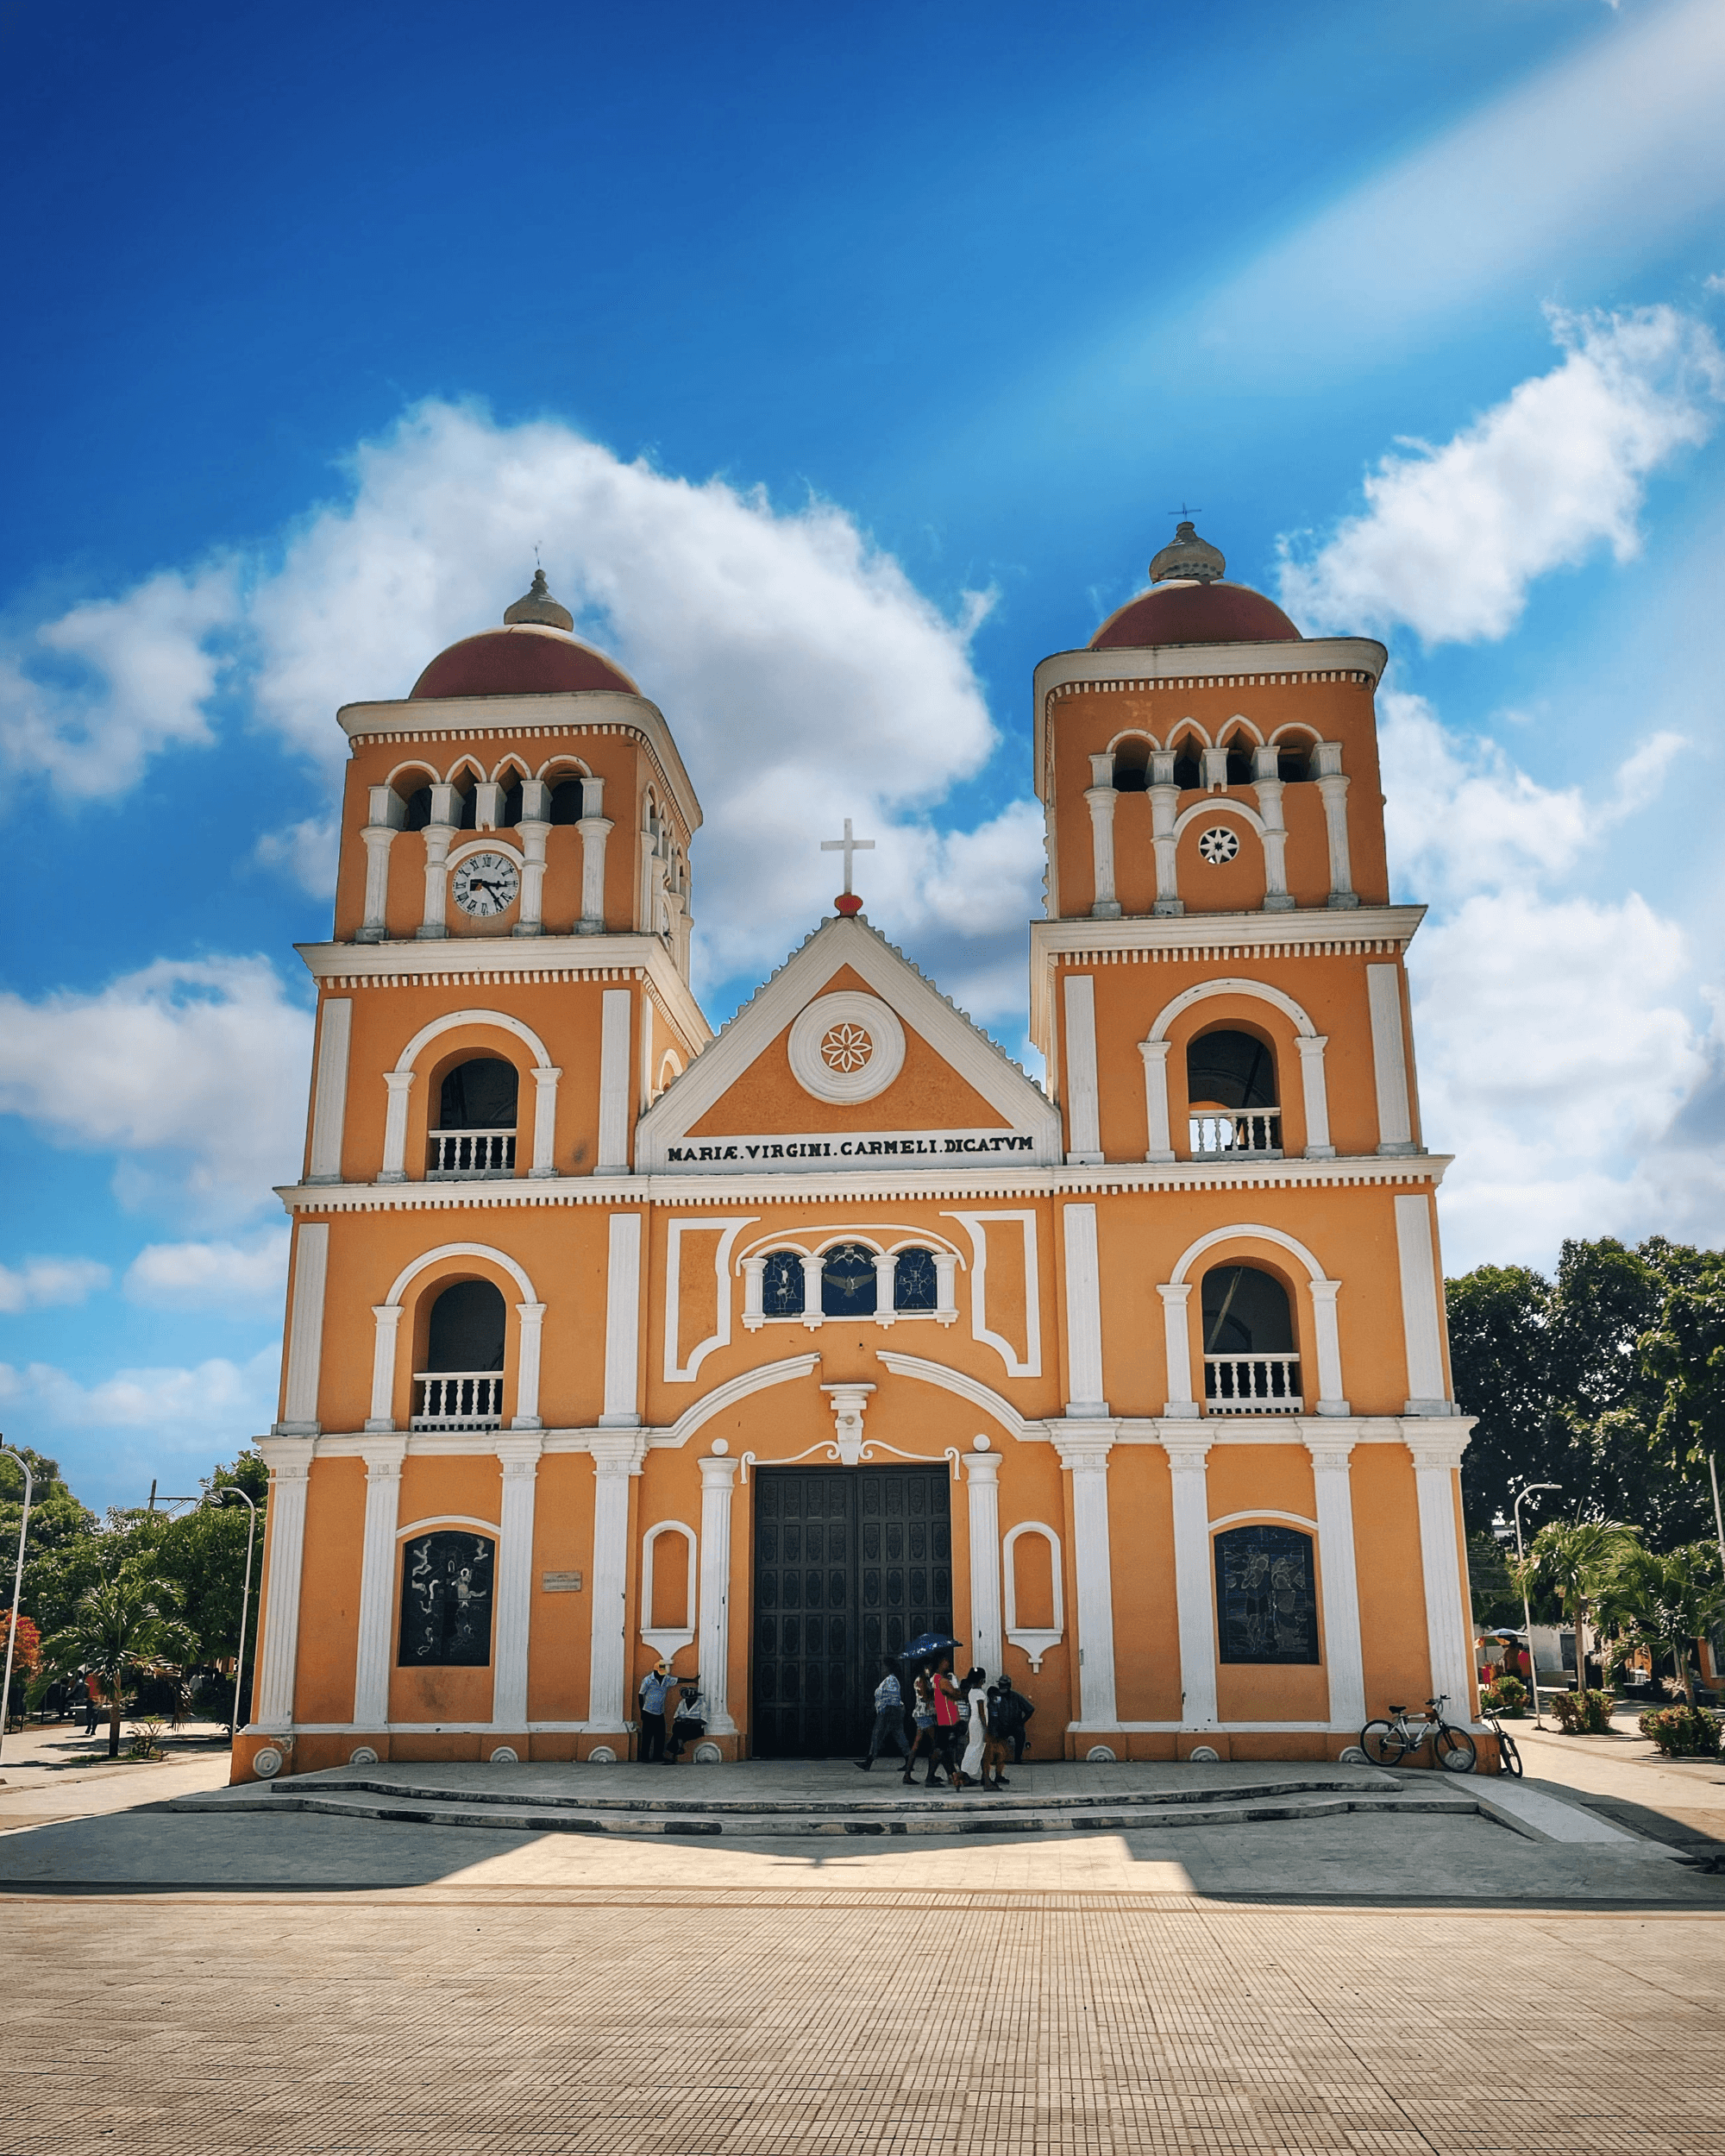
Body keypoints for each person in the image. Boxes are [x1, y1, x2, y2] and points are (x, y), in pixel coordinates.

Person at [856, 1659, 910, 1771]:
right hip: (893, 1711)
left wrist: (883, 1711)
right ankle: (909, 1760)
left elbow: (891, 1699)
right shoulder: (890, 1680)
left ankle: (869, 1761)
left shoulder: (891, 1680)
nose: (882, 1669)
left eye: (883, 1667)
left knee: (877, 1735)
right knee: (899, 1735)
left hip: (888, 1711)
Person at [902, 1669, 943, 1788]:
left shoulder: (924, 1680)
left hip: (923, 1715)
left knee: (916, 1745)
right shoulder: (922, 1681)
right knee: (936, 1744)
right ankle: (930, 1776)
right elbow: (925, 1696)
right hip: (925, 1715)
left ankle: (908, 1774)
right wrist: (937, 1692)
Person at [952, 1667, 989, 1791]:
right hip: (978, 1724)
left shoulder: (971, 1692)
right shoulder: (979, 1693)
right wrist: (986, 1728)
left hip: (972, 1723)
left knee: (974, 1747)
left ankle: (964, 1775)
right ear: (982, 1680)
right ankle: (961, 1774)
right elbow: (981, 1713)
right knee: (977, 1748)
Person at [931, 1656, 965, 1785]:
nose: (948, 1663)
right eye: (945, 1661)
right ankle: (930, 1776)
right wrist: (958, 1690)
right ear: (940, 1663)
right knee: (941, 1749)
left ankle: (952, 1774)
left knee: (944, 1749)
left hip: (943, 1717)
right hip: (947, 1718)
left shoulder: (935, 1678)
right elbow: (956, 1694)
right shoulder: (942, 1680)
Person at [637, 1659, 677, 1763]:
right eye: (660, 1673)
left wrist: (692, 1680)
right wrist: (642, 1712)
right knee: (647, 1735)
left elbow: (677, 1680)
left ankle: (657, 1756)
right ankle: (644, 1757)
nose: (662, 1675)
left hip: (660, 1712)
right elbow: (641, 1695)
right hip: (648, 1711)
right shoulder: (647, 1680)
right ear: (655, 1671)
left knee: (660, 1735)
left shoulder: (666, 1679)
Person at [994, 1671, 1034, 1763]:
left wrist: (1022, 1722)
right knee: (994, 1736)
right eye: (1000, 1685)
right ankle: (996, 1758)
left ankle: (1017, 1759)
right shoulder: (997, 1697)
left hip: (1015, 1725)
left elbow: (1030, 1709)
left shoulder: (1016, 1697)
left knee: (1020, 1734)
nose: (1002, 1687)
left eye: (1004, 1685)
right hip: (1001, 1725)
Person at [982, 1679, 1014, 1791]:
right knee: (990, 1757)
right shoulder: (989, 1705)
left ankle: (998, 1775)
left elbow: (1004, 1717)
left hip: (1000, 1733)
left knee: (1001, 1755)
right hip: (992, 1734)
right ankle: (986, 1777)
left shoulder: (1001, 1703)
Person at [665, 1680, 708, 1763]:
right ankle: (679, 1748)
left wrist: (691, 1721)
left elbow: (704, 1721)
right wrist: (681, 1719)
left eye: (691, 1699)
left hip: (696, 1729)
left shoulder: (701, 1704)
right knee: (677, 1727)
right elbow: (676, 1716)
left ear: (695, 1698)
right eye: (687, 1699)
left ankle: (673, 1753)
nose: (688, 1701)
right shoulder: (682, 1703)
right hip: (683, 1727)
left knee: (677, 1733)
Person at [82, 1671, 101, 1738]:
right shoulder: (91, 1677)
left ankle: (92, 1729)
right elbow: (86, 1686)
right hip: (92, 1698)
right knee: (91, 1715)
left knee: (93, 1715)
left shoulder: (101, 1677)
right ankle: (90, 1727)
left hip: (97, 1699)